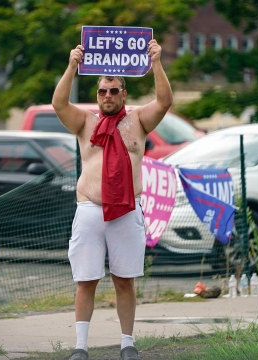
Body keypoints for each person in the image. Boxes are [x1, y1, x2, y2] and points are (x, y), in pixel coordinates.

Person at [52, 39, 172, 360]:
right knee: (86, 280)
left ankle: (127, 343)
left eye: (113, 91)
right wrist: (72, 65)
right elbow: (59, 104)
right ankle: (80, 347)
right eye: (102, 91)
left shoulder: (139, 121)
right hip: (90, 210)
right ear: (97, 95)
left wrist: (156, 62)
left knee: (124, 280)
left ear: (124, 94)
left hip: (126, 211)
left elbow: (164, 101)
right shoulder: (85, 122)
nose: (107, 96)